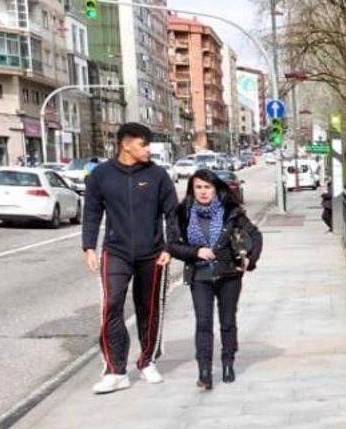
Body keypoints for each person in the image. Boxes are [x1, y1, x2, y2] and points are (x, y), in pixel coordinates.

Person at [82, 122, 177, 394]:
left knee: (149, 308)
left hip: (153, 253)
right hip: (116, 251)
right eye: (143, 144)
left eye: (148, 144)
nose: (148, 149)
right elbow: (91, 213)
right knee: (111, 305)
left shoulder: (158, 175)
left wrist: (169, 247)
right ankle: (115, 371)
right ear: (125, 144)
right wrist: (89, 247)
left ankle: (147, 361)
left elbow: (172, 214)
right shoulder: (101, 175)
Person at [165, 168, 262, 389]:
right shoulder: (182, 213)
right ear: (192, 190)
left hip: (229, 274)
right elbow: (171, 244)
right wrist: (195, 252)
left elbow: (255, 235)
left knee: (227, 321)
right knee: (203, 323)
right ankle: (204, 370)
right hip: (199, 276)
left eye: (207, 187)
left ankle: (228, 362)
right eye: (198, 187)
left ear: (216, 189)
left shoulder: (231, 211)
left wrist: (250, 260)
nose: (203, 192)